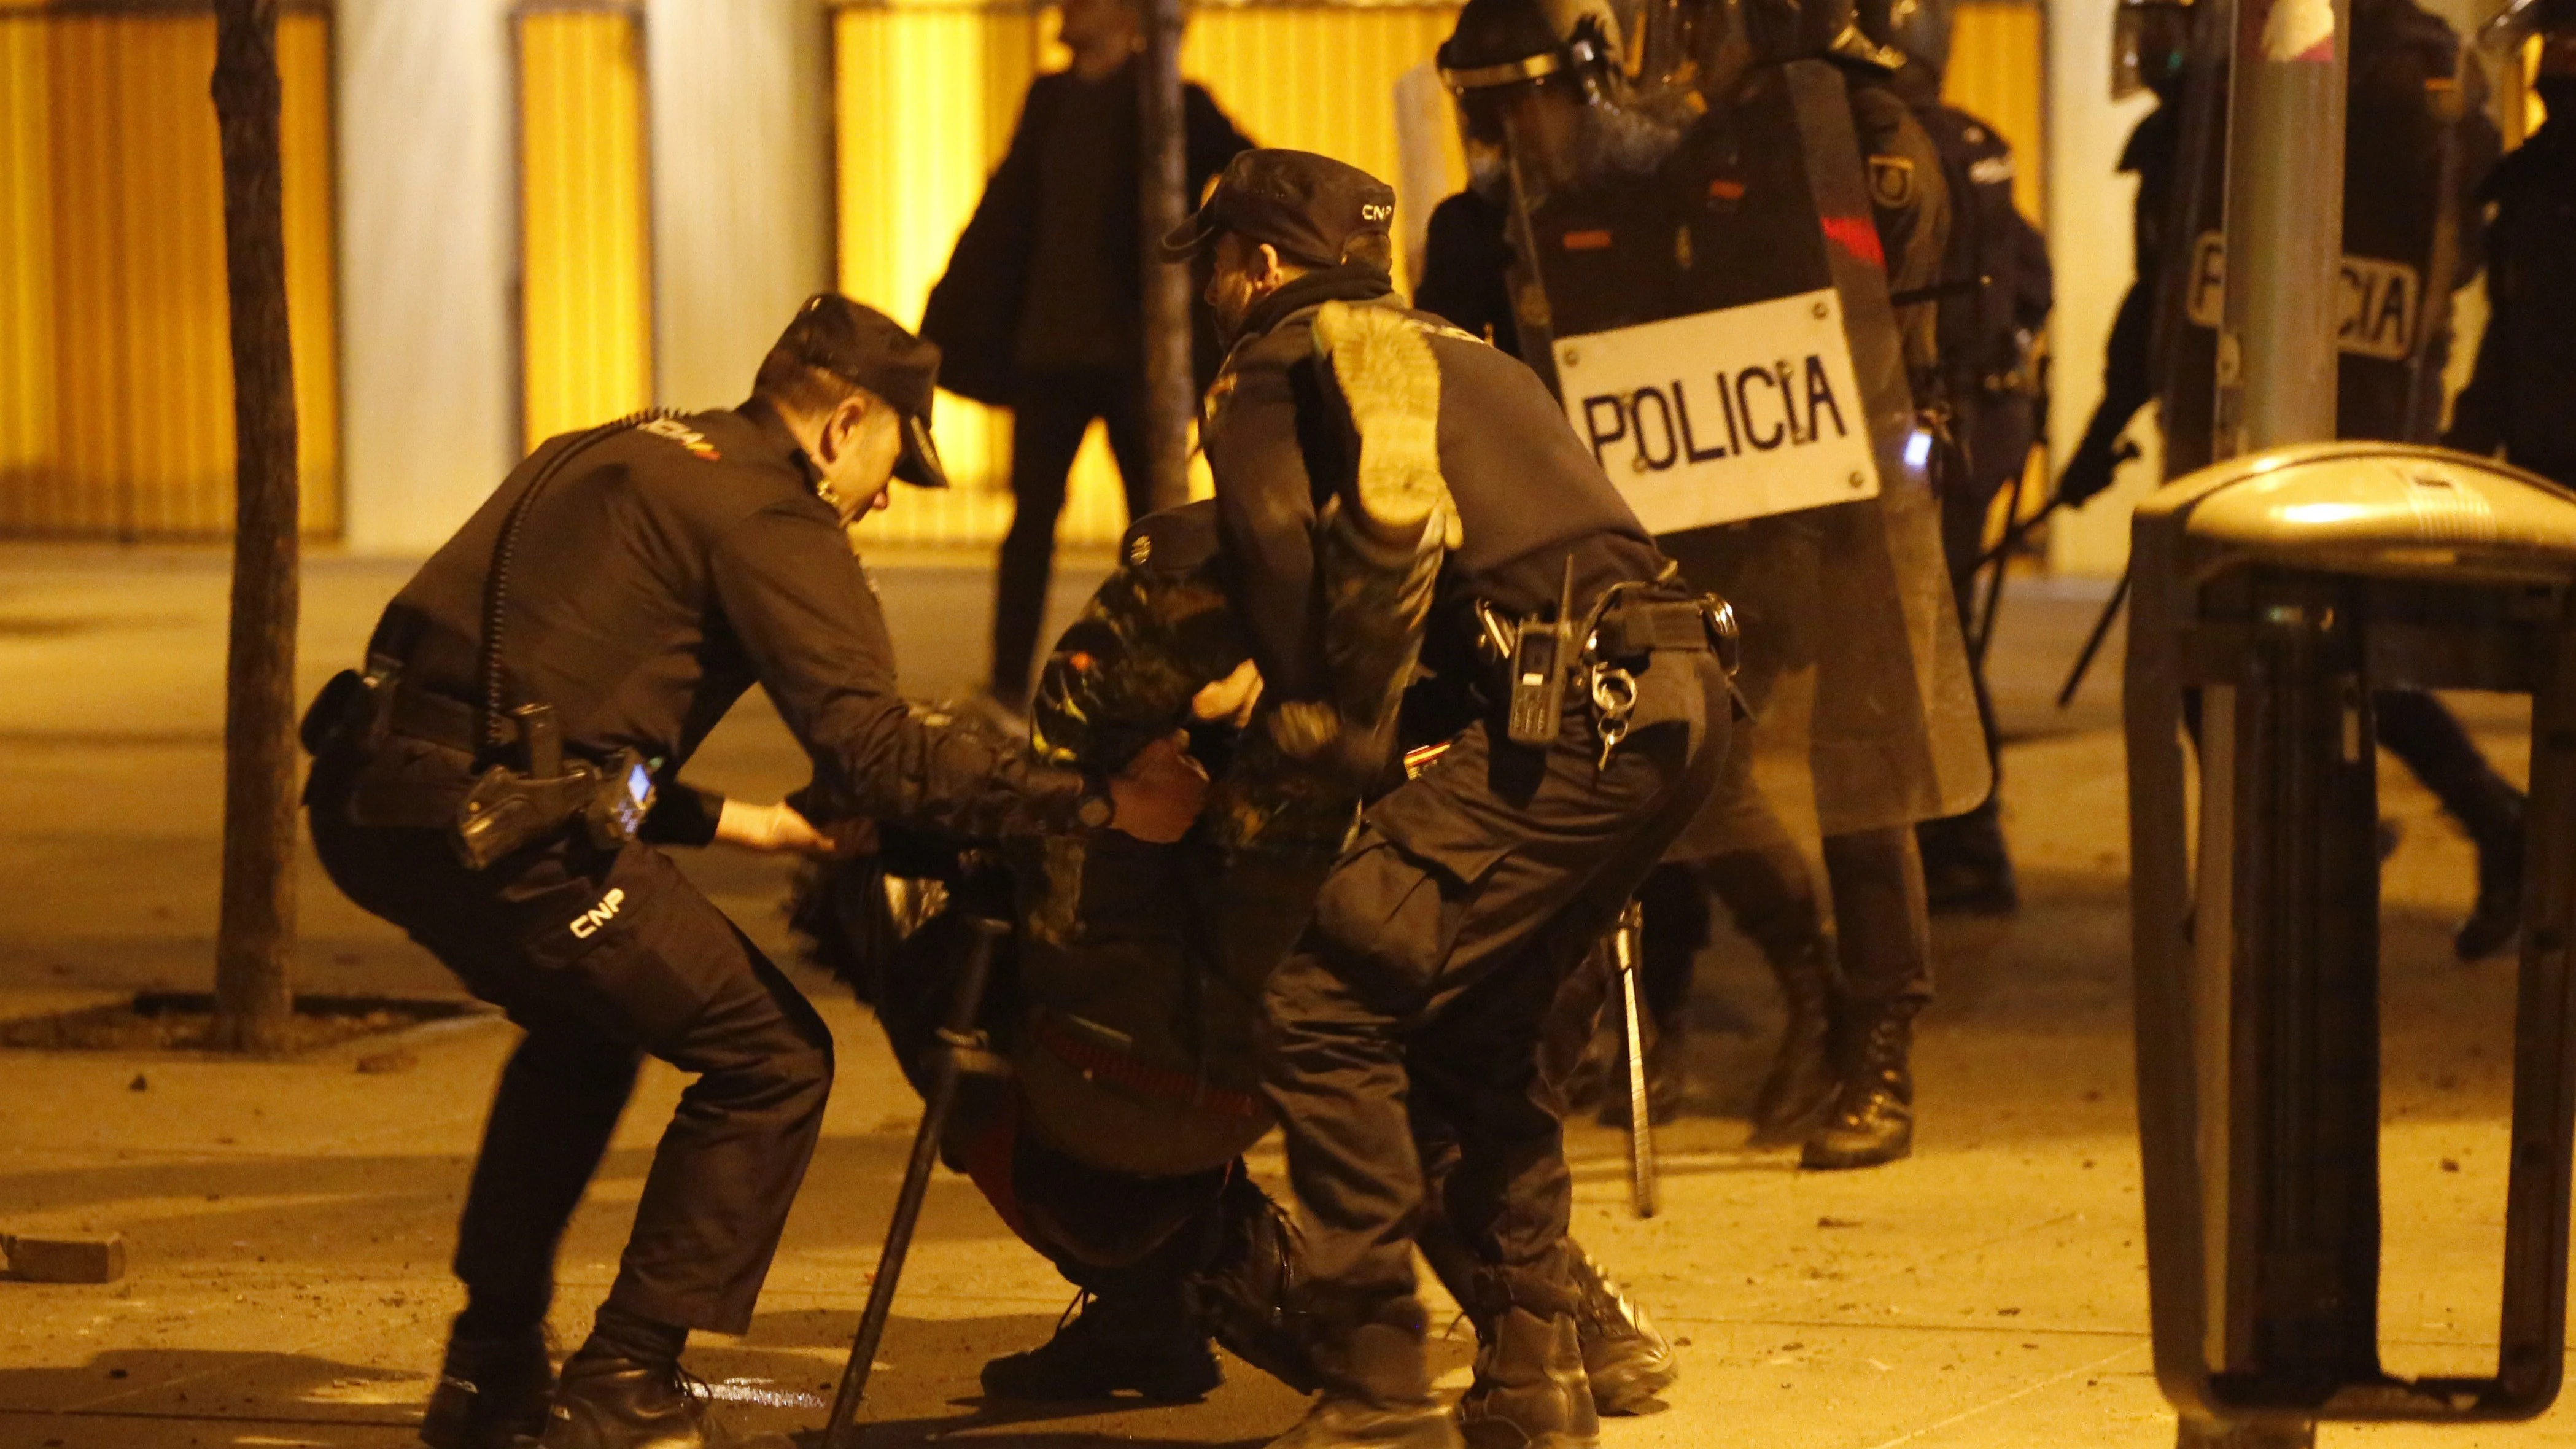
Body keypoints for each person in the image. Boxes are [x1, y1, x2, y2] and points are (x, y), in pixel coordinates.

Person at [298, 296, 1205, 1449]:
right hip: (499, 833)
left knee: (586, 1026)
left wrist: (752, 826)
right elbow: (876, 753)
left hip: (370, 798)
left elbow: (525, 717)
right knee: (769, 1058)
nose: (882, 499)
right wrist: (1100, 799)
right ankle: (629, 1378)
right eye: (891, 465)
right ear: (843, 424)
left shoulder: (625, 446)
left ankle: (490, 1369)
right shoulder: (770, 515)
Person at [789, 499, 1678, 1416]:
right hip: (1219, 1075)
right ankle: (1199, 1318)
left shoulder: (1342, 732)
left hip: (1248, 1077)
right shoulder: (1219, 738)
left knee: (1392, 1059)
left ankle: (1517, 1323)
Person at [1168, 147, 1734, 1449]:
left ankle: (1374, 1379)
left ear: (1254, 264)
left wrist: (1308, 716)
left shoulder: (1273, 355)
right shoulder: (1470, 354)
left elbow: (1268, 541)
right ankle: (1538, 1372)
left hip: (1565, 724)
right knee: (1478, 1032)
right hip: (1673, 704)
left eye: (1214, 267)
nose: (1213, 292)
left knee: (1315, 998)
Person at [1419, 0, 1982, 1172]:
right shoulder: (1676, 159)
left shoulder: (1859, 136)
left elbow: (1891, 319)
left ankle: (1878, 1045)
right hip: (1719, 513)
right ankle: (1801, 990)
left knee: (1868, 773)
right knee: (1693, 764)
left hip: (1852, 496)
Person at [2065, 0, 2526, 963]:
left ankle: (2426, 833)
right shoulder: (2246, 98)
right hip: (2285, 414)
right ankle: (2310, 852)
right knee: (2253, 661)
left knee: (2304, 655)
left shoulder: (2291, 86)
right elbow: (2178, 282)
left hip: (2320, 423)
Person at [920, 0, 1253, 712]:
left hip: (1139, 363)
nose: (1067, 6)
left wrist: (1203, 278)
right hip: (1051, 351)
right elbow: (1006, 210)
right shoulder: (1050, 98)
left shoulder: (1168, 101)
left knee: (1152, 525)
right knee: (1031, 523)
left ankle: (1161, 671)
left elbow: (1246, 175)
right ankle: (1008, 682)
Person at [1889, 15, 2054, 917]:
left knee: (1930, 643)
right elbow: (2035, 279)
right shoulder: (1976, 140)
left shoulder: (1895, 148)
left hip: (1937, 430)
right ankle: (1954, 835)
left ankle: (1968, 840)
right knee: (1939, 635)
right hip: (1984, 420)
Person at [2448, 0, 2576, 490]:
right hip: (2540, 479)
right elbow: (2512, 336)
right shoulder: (2535, 181)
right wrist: (2462, 455)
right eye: (2556, 45)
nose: (2560, 65)